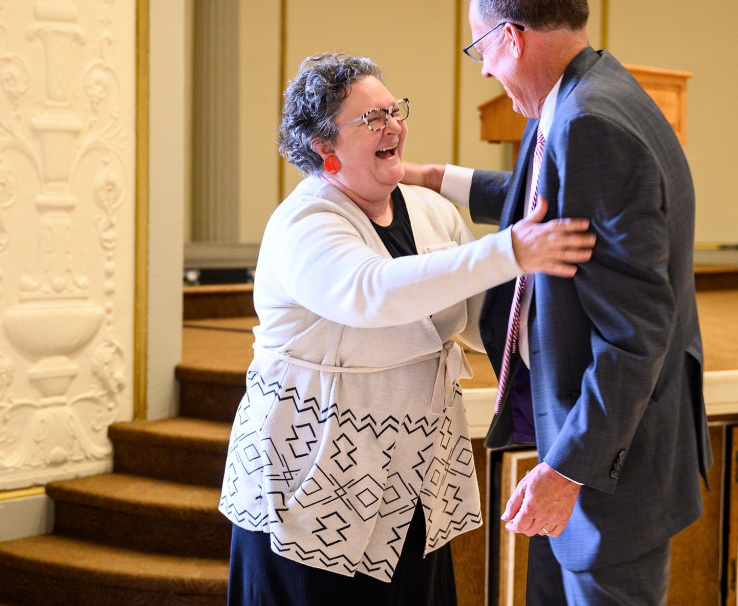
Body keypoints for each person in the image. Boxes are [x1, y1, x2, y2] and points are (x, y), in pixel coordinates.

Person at [218, 53, 595, 606]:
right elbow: (375, 292)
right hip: (313, 485)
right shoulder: (305, 224)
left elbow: (482, 311)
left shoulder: (428, 210)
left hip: (410, 479)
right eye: (371, 119)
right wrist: (510, 249)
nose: (393, 125)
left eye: (394, 110)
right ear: (327, 153)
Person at [403, 0, 713, 606]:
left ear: (510, 37)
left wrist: (567, 469)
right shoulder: (590, 90)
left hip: (607, 460)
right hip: (584, 435)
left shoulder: (590, 122)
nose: (484, 68)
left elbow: (636, 332)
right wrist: (438, 179)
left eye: (479, 48)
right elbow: (544, 200)